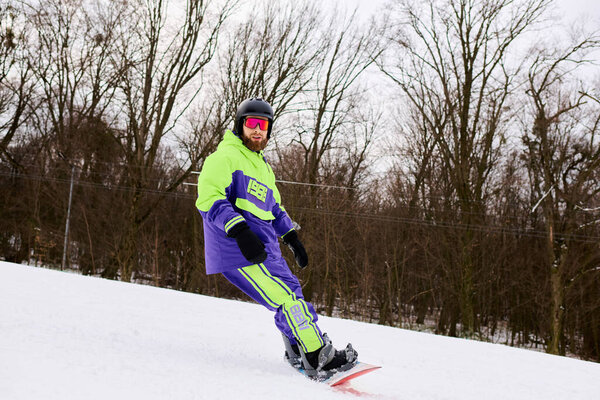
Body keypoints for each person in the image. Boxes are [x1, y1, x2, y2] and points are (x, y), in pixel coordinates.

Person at [195, 98, 357, 377]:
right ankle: (317, 355)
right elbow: (209, 198)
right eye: (252, 124)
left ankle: (296, 348)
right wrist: (240, 231)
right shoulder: (224, 157)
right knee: (286, 298)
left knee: (291, 290)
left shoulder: (262, 167)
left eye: (264, 125)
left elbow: (273, 208)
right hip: (240, 247)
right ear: (240, 126)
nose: (258, 130)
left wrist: (291, 237)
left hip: (265, 245)